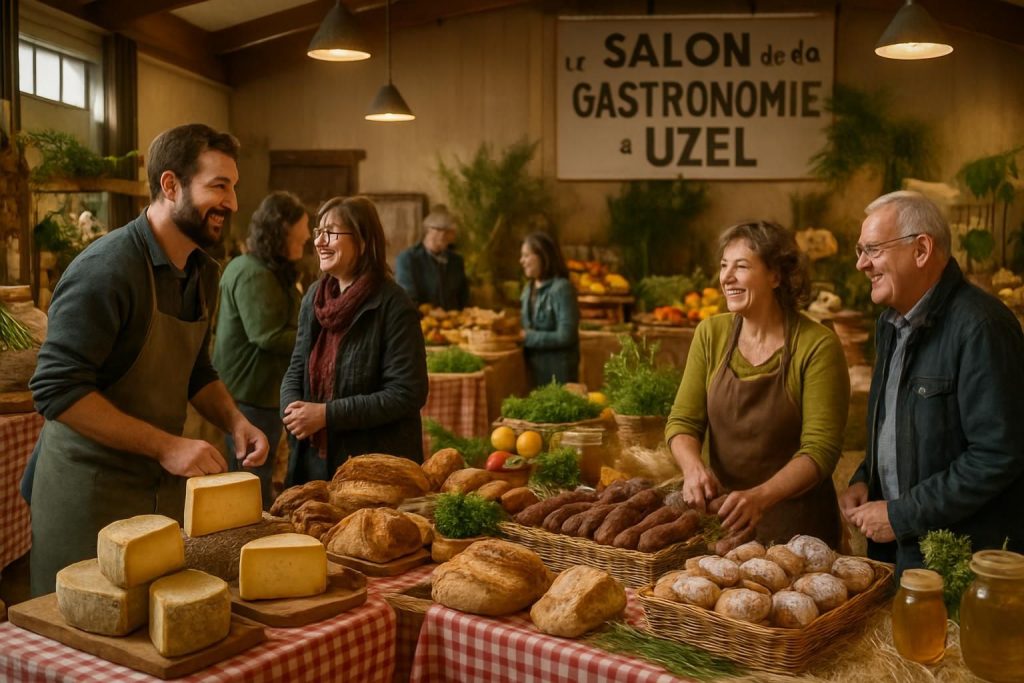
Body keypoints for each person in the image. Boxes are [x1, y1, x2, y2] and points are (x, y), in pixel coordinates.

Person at [24, 123, 270, 596]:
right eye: (218, 186)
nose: (233, 203)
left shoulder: (202, 272)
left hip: (156, 495)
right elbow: (56, 390)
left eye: (234, 187)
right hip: (87, 495)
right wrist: (168, 446)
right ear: (170, 185)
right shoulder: (106, 269)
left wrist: (235, 421)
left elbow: (197, 371)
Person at [839, 191, 1024, 576]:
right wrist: (866, 477)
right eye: (860, 250)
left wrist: (901, 514)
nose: (860, 264)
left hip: (955, 564)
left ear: (921, 249)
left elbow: (996, 456)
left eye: (872, 249)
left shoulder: (982, 327)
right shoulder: (890, 323)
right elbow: (899, 422)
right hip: (898, 554)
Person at [666, 221, 850, 549]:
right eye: (724, 266)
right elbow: (683, 422)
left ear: (776, 276)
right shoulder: (711, 334)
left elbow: (820, 451)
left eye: (741, 266)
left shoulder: (817, 345)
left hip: (800, 532)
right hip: (727, 528)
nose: (727, 277)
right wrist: (693, 468)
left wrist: (761, 497)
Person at [281, 196, 428, 484]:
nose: (320, 242)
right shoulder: (314, 296)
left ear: (363, 242)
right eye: (318, 232)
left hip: (374, 468)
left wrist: (327, 415)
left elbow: (407, 393)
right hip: (314, 460)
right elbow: (297, 365)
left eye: (332, 232)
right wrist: (292, 413)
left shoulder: (393, 304)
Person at [213, 191, 310, 508]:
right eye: (303, 227)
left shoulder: (269, 270)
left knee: (260, 482)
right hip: (249, 396)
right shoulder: (253, 272)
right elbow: (267, 335)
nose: (308, 235)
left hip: (262, 394)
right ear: (282, 230)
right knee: (249, 488)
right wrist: (319, 338)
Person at [519, 232, 580, 387]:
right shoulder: (528, 289)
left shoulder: (562, 289)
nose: (522, 261)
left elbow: (566, 336)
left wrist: (527, 337)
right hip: (533, 371)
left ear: (543, 256)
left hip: (558, 372)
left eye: (526, 255)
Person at [395, 204, 469, 310]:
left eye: (448, 231)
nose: (443, 235)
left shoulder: (456, 261)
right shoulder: (407, 259)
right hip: (421, 321)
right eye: (438, 230)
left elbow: (463, 297)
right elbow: (408, 298)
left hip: (454, 323)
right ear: (427, 230)